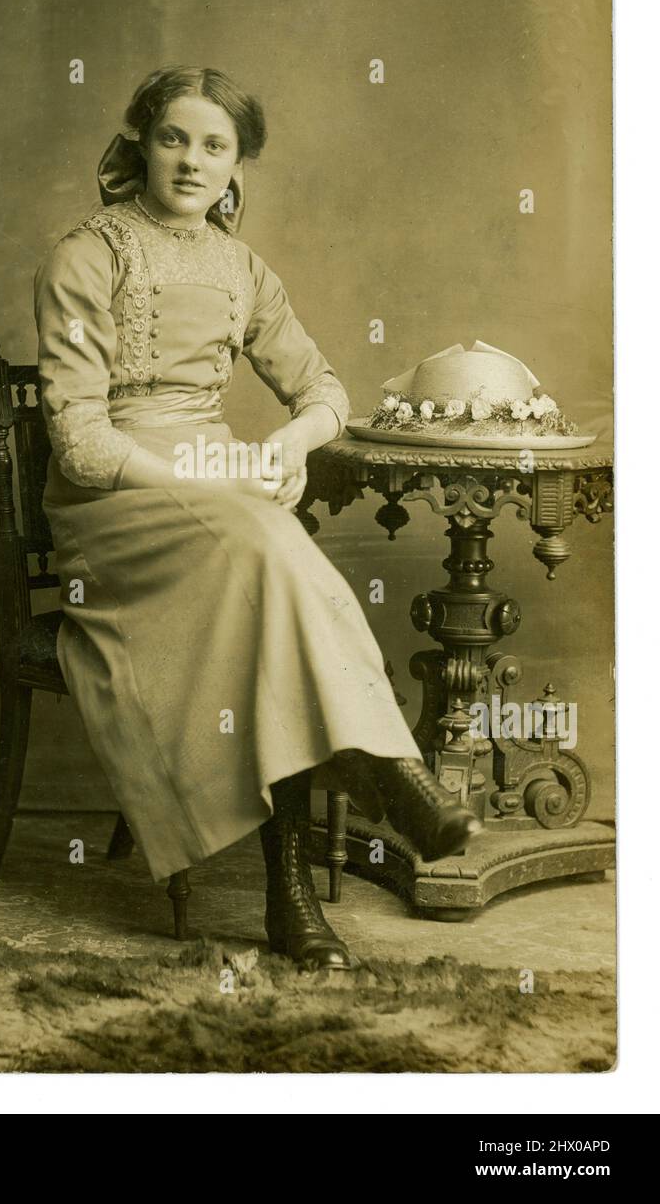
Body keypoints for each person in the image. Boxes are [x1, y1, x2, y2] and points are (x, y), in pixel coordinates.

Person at [35, 65, 481, 971]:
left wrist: (284, 449)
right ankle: (384, 766)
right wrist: (211, 481)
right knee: (263, 540)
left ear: (238, 164)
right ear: (140, 143)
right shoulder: (86, 256)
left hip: (226, 502)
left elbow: (324, 390)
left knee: (263, 562)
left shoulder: (242, 268)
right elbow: (79, 445)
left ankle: (292, 894)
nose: (191, 162)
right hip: (116, 509)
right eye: (173, 138)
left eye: (214, 146)